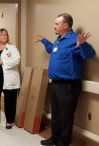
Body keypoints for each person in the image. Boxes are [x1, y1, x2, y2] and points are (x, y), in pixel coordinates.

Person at [36, 13, 96, 146]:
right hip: (56, 84)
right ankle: (55, 137)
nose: (54, 26)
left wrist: (83, 45)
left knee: (66, 115)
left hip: (68, 85)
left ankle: (63, 142)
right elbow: (52, 49)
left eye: (57, 24)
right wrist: (44, 40)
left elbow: (90, 55)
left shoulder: (76, 39)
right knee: (56, 113)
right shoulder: (59, 40)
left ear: (66, 26)